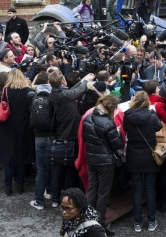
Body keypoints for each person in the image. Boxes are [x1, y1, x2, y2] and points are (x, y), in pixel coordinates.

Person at [49, 70, 93, 207]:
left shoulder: (56, 94)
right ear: (63, 81)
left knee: (58, 170)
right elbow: (76, 92)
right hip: (68, 137)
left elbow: (72, 91)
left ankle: (55, 198)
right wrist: (85, 81)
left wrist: (82, 81)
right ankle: (66, 198)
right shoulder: (64, 95)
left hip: (60, 136)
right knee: (68, 170)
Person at [82, 94, 122, 235]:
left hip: (91, 158)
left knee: (92, 189)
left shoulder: (87, 118)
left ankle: (87, 220)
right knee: (103, 193)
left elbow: (85, 138)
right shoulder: (107, 123)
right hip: (105, 161)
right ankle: (99, 225)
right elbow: (117, 143)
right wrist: (117, 133)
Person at [123, 91, 162, 232]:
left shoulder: (127, 116)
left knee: (137, 190)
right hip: (149, 154)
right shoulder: (152, 117)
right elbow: (159, 127)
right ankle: (152, 220)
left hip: (134, 155)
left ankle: (137, 222)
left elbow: (126, 129)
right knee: (150, 189)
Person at [0, 69, 34, 196]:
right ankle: (20, 185)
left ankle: (8, 186)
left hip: (6, 126)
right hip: (22, 127)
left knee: (8, 158)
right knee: (21, 157)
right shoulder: (28, 92)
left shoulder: (5, 91)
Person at [29, 72, 53, 210]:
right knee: (52, 167)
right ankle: (51, 193)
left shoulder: (32, 96)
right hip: (51, 135)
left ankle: (39, 201)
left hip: (38, 136)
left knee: (41, 169)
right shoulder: (54, 96)